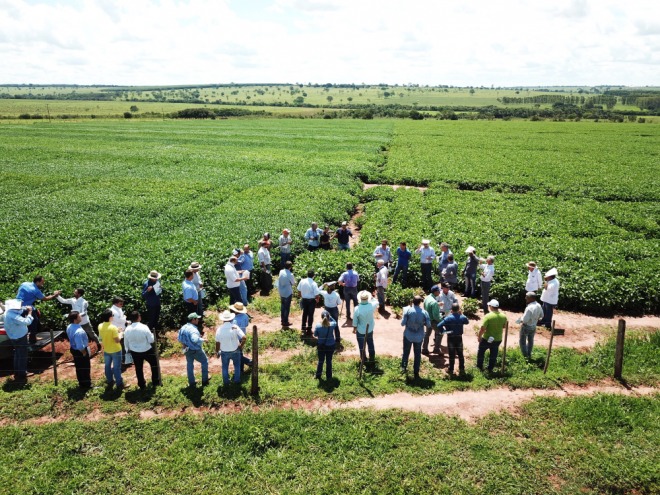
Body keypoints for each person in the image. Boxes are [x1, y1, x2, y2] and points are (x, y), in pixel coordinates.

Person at [16, 275, 62, 343]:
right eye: (42, 283)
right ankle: (32, 338)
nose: (42, 285)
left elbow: (18, 292)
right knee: (34, 322)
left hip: (17, 306)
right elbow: (45, 298)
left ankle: (21, 338)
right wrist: (55, 295)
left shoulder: (24, 283)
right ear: (37, 282)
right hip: (26, 308)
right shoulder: (35, 290)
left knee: (20, 323)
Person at [124, 311, 161, 389]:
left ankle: (141, 384)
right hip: (146, 349)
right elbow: (151, 340)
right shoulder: (144, 327)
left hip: (134, 351)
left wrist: (128, 350)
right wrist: (152, 336)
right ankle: (155, 382)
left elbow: (126, 342)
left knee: (138, 368)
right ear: (138, 317)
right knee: (154, 365)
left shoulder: (127, 329)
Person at [401, 296, 431, 379]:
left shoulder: (408, 310)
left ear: (412, 301)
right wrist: (423, 323)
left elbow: (402, 323)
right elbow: (428, 325)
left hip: (408, 335)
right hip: (419, 336)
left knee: (406, 352)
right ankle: (416, 372)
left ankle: (403, 368)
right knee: (417, 354)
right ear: (420, 302)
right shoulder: (425, 313)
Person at [3, 299, 32, 384]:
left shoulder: (8, 311)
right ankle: (21, 375)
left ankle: (17, 372)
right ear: (15, 307)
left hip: (13, 336)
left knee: (17, 354)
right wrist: (29, 313)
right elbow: (27, 321)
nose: (20, 307)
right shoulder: (13, 316)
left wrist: (25, 308)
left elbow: (19, 311)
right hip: (20, 337)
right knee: (22, 356)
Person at [214, 310, 246, 385]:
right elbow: (244, 337)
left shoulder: (219, 329)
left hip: (224, 351)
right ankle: (237, 381)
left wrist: (217, 351)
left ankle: (226, 382)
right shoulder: (234, 327)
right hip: (235, 350)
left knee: (225, 367)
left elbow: (217, 342)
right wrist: (241, 346)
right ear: (231, 319)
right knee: (237, 366)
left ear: (223, 320)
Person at [178, 312, 209, 387]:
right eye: (197, 319)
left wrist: (184, 345)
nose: (198, 320)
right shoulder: (193, 330)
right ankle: (205, 380)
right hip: (195, 350)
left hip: (186, 349)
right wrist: (203, 340)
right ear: (193, 320)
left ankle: (191, 382)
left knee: (190, 365)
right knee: (205, 361)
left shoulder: (183, 327)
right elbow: (194, 339)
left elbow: (179, 339)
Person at [476, 299, 508, 373]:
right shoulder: (503, 316)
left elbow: (483, 328)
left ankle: (479, 367)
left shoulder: (488, 316)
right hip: (498, 339)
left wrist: (479, 336)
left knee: (481, 352)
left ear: (491, 306)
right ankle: (490, 368)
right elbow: (504, 326)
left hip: (487, 338)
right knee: (493, 354)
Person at [439, 303, 469, 375]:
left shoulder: (448, 318)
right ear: (458, 309)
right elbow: (467, 321)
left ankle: (451, 369)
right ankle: (461, 368)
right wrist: (461, 314)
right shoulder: (461, 317)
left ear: (451, 310)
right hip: (459, 338)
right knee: (460, 353)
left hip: (451, 337)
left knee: (451, 354)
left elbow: (439, 325)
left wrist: (445, 332)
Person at [98, 309, 124, 389]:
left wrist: (117, 330)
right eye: (112, 315)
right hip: (116, 350)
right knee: (117, 367)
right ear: (110, 317)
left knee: (107, 366)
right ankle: (119, 383)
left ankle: (110, 381)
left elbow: (101, 338)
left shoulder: (100, 326)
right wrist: (121, 333)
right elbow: (117, 340)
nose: (113, 317)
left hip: (107, 350)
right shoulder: (113, 327)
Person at [67, 311, 92, 388]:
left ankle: (81, 383)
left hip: (73, 349)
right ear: (75, 319)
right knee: (85, 368)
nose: (81, 317)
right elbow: (80, 346)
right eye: (79, 316)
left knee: (79, 368)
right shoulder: (79, 331)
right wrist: (84, 353)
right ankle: (87, 385)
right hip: (80, 351)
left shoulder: (70, 326)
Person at [353, 291, 378, 366]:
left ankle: (364, 359)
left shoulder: (357, 308)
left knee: (361, 346)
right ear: (368, 299)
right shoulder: (371, 306)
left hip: (360, 330)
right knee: (370, 343)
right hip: (370, 329)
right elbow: (377, 301)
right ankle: (372, 358)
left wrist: (354, 328)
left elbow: (355, 320)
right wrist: (372, 297)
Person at [517, 292, 544, 359]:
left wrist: (520, 320)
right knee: (530, 340)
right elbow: (541, 316)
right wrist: (535, 319)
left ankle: (525, 355)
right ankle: (529, 353)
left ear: (531, 298)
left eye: (527, 297)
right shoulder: (538, 305)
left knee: (522, 341)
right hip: (533, 326)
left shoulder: (529, 308)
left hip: (526, 326)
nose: (525, 298)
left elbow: (525, 320)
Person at [229, 302, 253, 372]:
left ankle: (249, 361)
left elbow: (232, 330)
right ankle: (241, 369)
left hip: (236, 339)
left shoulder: (234, 320)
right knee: (239, 353)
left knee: (236, 355)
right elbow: (246, 325)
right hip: (242, 337)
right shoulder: (245, 316)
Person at [314, 311, 337, 380]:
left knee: (320, 361)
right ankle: (329, 376)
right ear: (328, 317)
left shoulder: (318, 326)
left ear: (321, 317)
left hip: (321, 345)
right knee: (329, 361)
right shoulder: (332, 324)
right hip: (331, 345)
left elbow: (315, 334)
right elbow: (335, 321)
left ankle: (318, 375)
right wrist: (330, 317)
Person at [297, 269, 320, 335]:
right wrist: (317, 300)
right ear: (313, 276)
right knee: (310, 315)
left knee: (304, 314)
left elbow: (299, 291)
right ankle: (309, 329)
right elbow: (316, 294)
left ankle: (303, 327)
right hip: (311, 301)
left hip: (304, 299)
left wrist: (301, 297)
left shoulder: (302, 281)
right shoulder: (314, 283)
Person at [423, 285, 442, 354]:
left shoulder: (427, 298)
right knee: (440, 333)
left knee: (427, 334)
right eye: (439, 291)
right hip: (433, 321)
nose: (440, 292)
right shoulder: (434, 302)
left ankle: (424, 349)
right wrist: (441, 320)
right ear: (436, 292)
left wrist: (437, 304)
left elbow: (425, 307)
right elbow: (436, 316)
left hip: (427, 319)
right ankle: (436, 349)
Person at [277, 261, 296, 327]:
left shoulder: (281, 271)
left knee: (283, 306)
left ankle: (282, 320)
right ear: (290, 267)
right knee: (287, 308)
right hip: (288, 292)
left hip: (281, 291)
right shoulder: (290, 274)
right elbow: (294, 283)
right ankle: (285, 321)